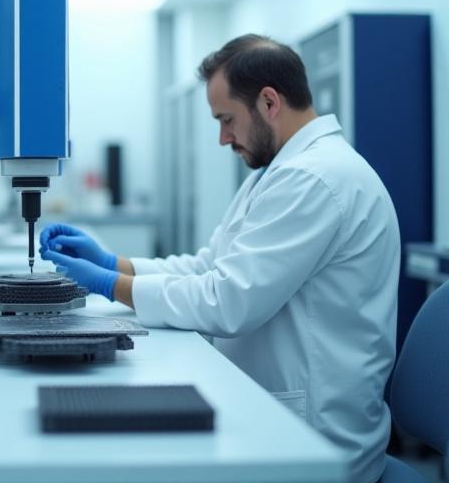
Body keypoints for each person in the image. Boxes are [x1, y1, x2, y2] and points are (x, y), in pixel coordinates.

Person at [40, 34, 399, 483]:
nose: (223, 137)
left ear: (269, 102)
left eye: (227, 119)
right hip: (270, 409)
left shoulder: (316, 179)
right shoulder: (278, 172)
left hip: (312, 436)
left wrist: (109, 285)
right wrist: (115, 263)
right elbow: (211, 265)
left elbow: (229, 301)